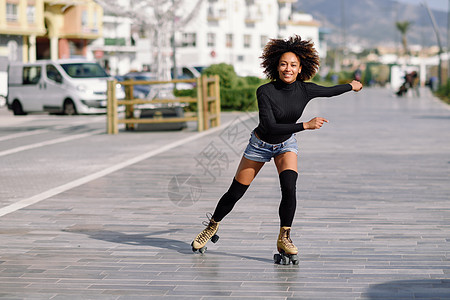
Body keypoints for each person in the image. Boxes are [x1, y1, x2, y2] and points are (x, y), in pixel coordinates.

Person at [191, 35, 363, 263]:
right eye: (283, 64)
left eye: (293, 65)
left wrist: (351, 86)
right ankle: (212, 226)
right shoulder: (265, 91)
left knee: (289, 187)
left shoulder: (305, 90)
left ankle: (285, 236)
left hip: (286, 144)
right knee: (235, 192)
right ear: (276, 66)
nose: (288, 69)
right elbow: (270, 125)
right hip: (260, 145)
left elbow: (329, 90)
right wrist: (306, 125)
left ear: (301, 68)